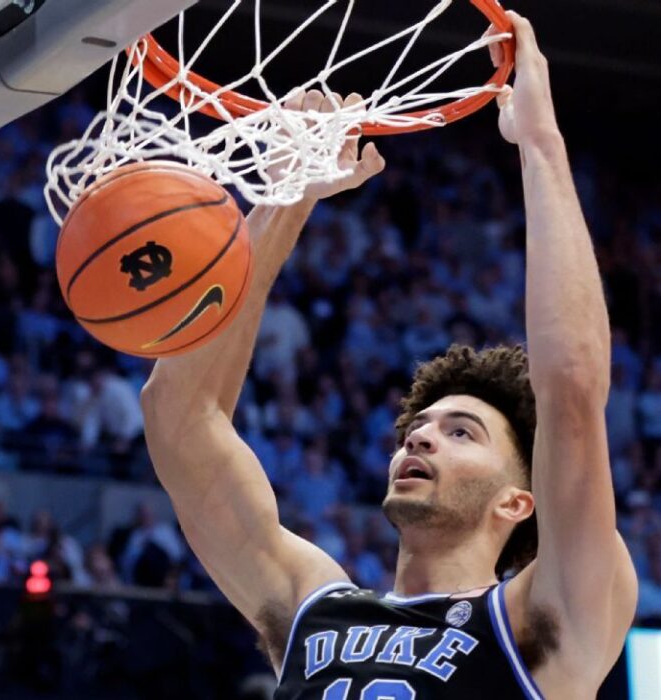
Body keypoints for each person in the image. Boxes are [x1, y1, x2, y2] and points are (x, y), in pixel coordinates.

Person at [141, 14, 637, 699]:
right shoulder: (311, 606)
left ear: (517, 502)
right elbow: (176, 415)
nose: (420, 437)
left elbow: (572, 389)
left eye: (461, 432)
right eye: (419, 427)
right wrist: (287, 198)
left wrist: (540, 145)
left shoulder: (542, 623)